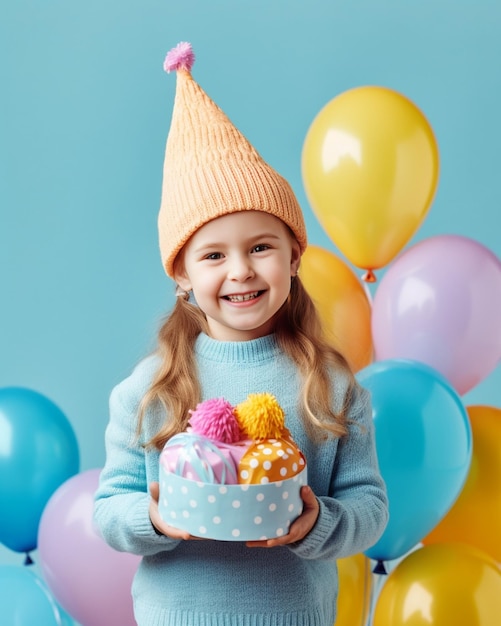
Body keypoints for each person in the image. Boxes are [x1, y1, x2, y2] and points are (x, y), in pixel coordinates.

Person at [94, 41, 388, 626]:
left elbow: (370, 505)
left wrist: (320, 523)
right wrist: (150, 519)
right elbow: (108, 508)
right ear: (181, 274)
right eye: (212, 256)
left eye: (261, 247)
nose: (241, 271)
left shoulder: (329, 384)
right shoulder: (150, 389)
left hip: (294, 615)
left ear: (294, 257)